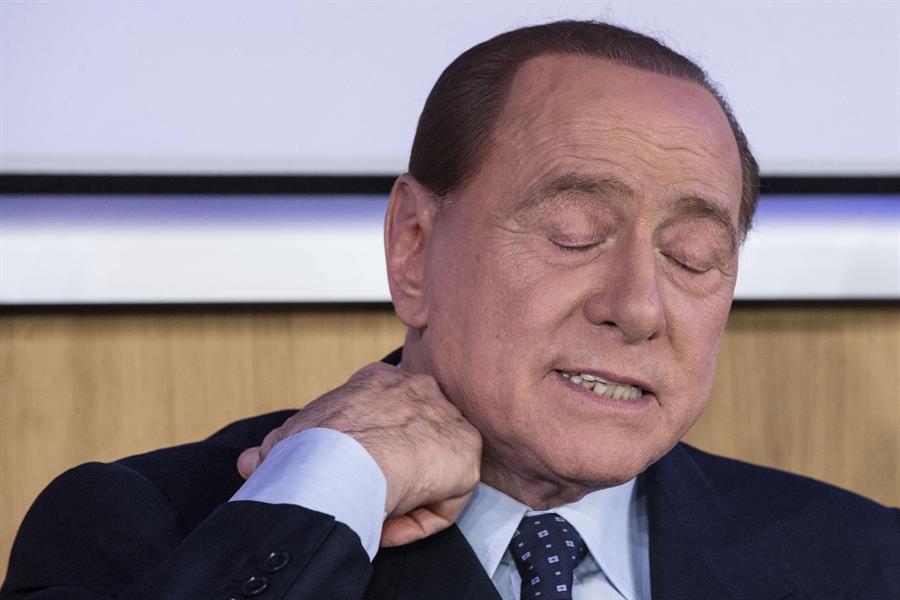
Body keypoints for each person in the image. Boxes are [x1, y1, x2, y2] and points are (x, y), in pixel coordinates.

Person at [2, 19, 898, 600]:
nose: (637, 307)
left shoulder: (862, 560)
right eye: (575, 234)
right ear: (414, 248)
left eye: (693, 256)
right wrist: (324, 495)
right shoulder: (147, 528)